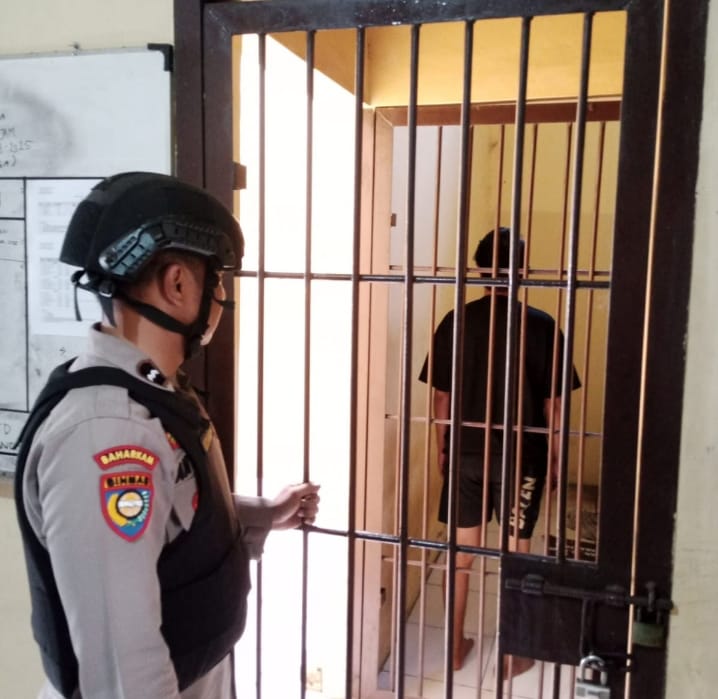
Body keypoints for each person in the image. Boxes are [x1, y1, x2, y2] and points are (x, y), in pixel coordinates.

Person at [14, 172, 320, 699]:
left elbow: (166, 513)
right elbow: (123, 671)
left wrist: (261, 515)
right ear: (178, 284)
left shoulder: (152, 392)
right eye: (217, 280)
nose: (222, 297)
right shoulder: (107, 434)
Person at [418, 227, 580, 673]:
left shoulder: (456, 321)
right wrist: (555, 458)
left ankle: (454, 648)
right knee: (516, 556)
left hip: (467, 454)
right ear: (523, 271)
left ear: (477, 270)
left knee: (460, 556)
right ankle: (513, 654)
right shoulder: (544, 326)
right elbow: (553, 406)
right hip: (521, 458)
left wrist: (444, 449)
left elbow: (441, 399)